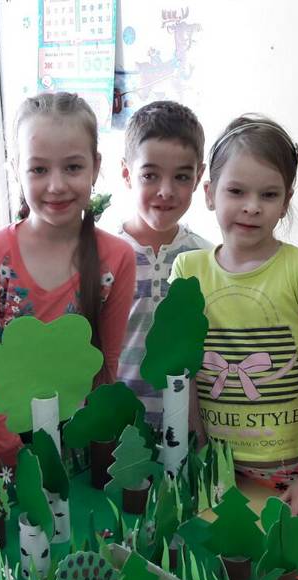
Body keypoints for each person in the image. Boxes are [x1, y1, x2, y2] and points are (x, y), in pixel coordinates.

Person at [173, 114, 298, 530]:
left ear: (286, 201)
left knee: (287, 562)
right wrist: (198, 450)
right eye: (237, 191)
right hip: (214, 465)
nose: (252, 206)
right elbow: (185, 371)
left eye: (269, 194)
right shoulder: (187, 269)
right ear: (210, 193)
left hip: (289, 471)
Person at [0, 91, 135, 467]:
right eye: (39, 170)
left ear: (95, 166)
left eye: (72, 167)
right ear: (16, 169)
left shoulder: (117, 258)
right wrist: (10, 450)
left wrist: (92, 442)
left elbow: (106, 362)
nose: (56, 185)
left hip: (78, 445)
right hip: (4, 444)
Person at [116, 100, 212, 424]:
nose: (166, 191)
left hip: (187, 428)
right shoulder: (104, 256)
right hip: (117, 430)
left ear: (198, 177)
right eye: (150, 175)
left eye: (181, 176)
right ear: (127, 174)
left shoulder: (205, 258)